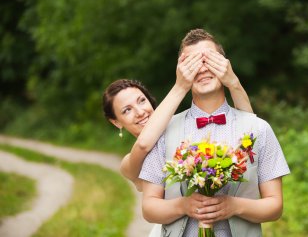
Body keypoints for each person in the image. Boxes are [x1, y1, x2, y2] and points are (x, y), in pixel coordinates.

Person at [138, 29, 290, 237]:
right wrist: (183, 206)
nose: (201, 69)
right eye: (192, 63)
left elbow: (275, 206)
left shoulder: (259, 128)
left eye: (209, 60)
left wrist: (235, 206)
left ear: (224, 65)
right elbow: (149, 207)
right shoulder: (164, 131)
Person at [102, 40, 254, 236]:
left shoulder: (179, 130)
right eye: (127, 110)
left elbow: (248, 133)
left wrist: (233, 83)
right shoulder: (129, 162)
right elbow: (143, 144)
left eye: (142, 100)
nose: (140, 112)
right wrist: (181, 85)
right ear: (116, 122)